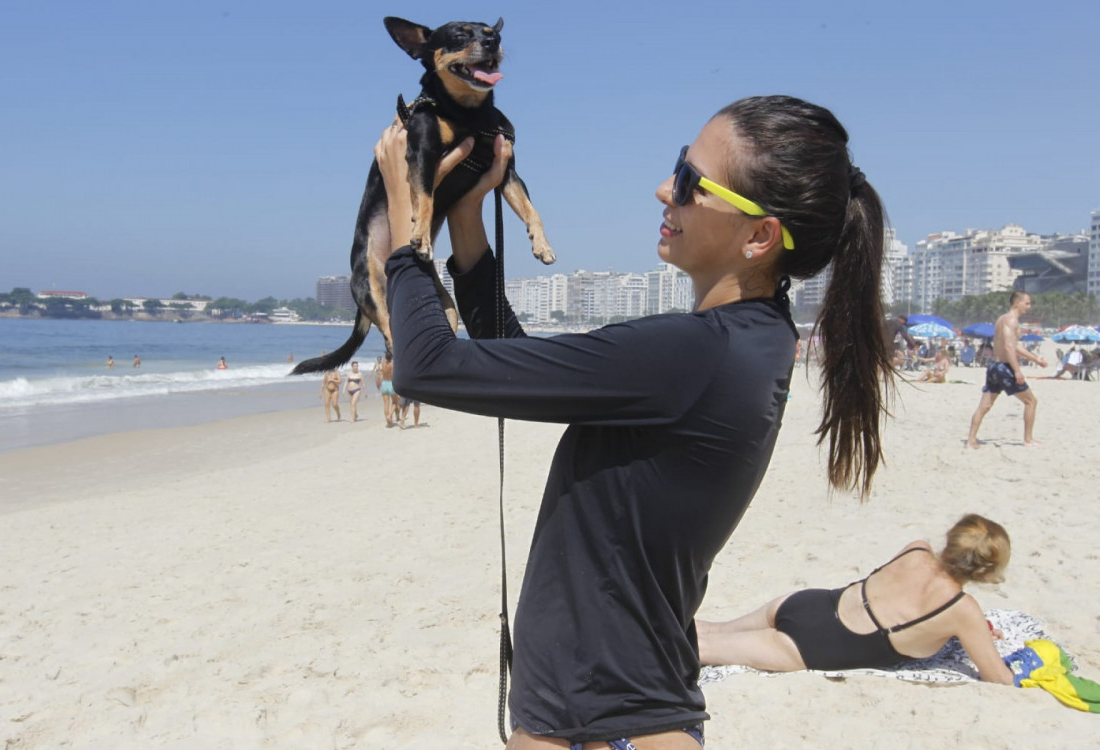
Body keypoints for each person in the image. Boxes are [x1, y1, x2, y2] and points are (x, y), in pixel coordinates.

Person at [373, 94, 893, 748]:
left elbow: (423, 367)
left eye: (689, 182)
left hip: (599, 713)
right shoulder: (751, 340)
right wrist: (471, 218)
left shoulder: (693, 352)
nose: (663, 191)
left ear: (759, 236)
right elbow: (514, 362)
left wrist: (406, 213)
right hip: (622, 700)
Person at [693, 514, 1014, 684]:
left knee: (711, 629)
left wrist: (975, 629)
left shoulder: (917, 549)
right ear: (986, 571)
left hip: (808, 603)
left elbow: (902, 598)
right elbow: (998, 678)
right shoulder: (961, 611)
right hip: (814, 646)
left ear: (951, 538)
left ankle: (644, 620)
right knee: (697, 649)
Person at [966, 291, 1048, 448]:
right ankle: (1028, 439)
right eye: (1027, 303)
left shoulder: (1001, 319)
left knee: (984, 406)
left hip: (994, 367)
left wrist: (1035, 359)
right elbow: (1009, 346)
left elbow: (1014, 344)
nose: (1029, 307)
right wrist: (1017, 371)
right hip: (1004, 367)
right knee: (1031, 401)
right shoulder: (1011, 320)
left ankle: (971, 440)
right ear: (1017, 303)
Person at [379, 352, 398, 427]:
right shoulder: (392, 365)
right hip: (390, 383)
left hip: (384, 383)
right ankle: (389, 416)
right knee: (395, 402)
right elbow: (394, 375)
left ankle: (389, 423)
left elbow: (381, 373)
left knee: (386, 404)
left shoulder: (383, 364)